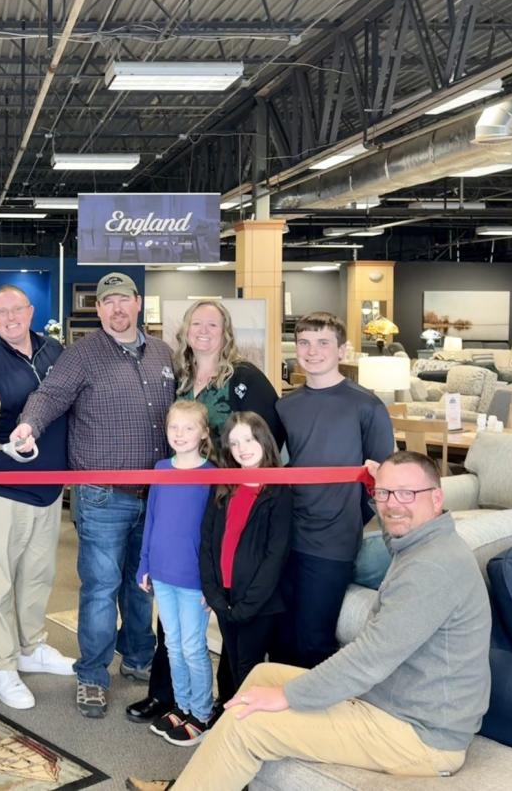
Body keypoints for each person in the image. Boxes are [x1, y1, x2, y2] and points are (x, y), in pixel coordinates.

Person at [127, 450, 490, 791]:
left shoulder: (431, 567)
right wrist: (380, 485)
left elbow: (369, 659)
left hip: (419, 734)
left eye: (407, 494)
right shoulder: (422, 543)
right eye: (385, 493)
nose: (393, 505)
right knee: (260, 678)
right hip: (393, 703)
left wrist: (288, 697)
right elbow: (396, 509)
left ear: (438, 499)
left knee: (249, 722)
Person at [12, 271, 176, 719]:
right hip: (102, 495)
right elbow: (50, 395)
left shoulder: (163, 353)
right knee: (101, 588)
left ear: (138, 303)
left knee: (141, 585)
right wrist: (29, 426)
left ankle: (140, 658)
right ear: (98, 310)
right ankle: (93, 675)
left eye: (123, 301)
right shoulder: (81, 354)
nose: (116, 309)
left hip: (156, 493)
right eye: (108, 303)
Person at [130, 299, 286, 726]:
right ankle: (167, 697)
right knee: (174, 624)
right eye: (195, 323)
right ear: (184, 330)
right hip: (179, 494)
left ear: (226, 330)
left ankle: (215, 703)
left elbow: (267, 434)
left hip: (222, 499)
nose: (203, 331)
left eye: (212, 324)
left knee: (209, 615)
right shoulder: (177, 377)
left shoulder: (244, 378)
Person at [0, 285, 74, 711]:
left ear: (30, 311)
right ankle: (2, 666)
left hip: (48, 488)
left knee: (38, 577)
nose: (9, 318)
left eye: (16, 310)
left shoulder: (55, 351)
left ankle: (32, 647)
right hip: (3, 489)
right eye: (0, 312)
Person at [273, 312, 393, 669]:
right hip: (284, 536)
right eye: (305, 343)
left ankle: (319, 721)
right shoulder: (285, 406)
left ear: (341, 350)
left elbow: (382, 477)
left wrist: (345, 514)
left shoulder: (367, 405)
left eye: (323, 343)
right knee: (279, 637)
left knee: (314, 641)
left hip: (332, 541)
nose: (313, 351)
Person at [138, 400, 216, 747]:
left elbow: (214, 533)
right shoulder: (159, 467)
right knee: (171, 644)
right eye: (174, 427)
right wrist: (144, 564)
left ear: (203, 433)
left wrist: (211, 584)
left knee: (192, 646)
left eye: (188, 428)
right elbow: (151, 520)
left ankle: (201, 712)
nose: (180, 434)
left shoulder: (212, 475)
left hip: (193, 580)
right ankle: (182, 705)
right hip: (163, 574)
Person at [200, 412, 291, 705]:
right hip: (225, 598)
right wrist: (214, 595)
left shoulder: (278, 491)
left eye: (249, 439)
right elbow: (208, 543)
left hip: (258, 604)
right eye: (234, 443)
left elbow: (275, 555)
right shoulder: (224, 486)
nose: (243, 448)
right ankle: (225, 713)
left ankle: (243, 729)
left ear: (264, 440)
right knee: (229, 661)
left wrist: (247, 605)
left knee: (246, 668)